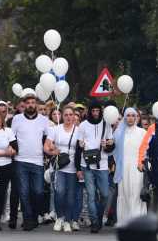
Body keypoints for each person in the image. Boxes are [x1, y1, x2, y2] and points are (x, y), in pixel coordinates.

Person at [10, 94, 51, 231]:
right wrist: (14, 149)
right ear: (25, 105)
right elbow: (11, 137)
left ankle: (34, 216)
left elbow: (48, 137)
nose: (31, 105)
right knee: (24, 191)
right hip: (21, 160)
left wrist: (48, 150)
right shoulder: (17, 119)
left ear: (36, 105)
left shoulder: (44, 120)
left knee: (38, 192)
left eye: (33, 102)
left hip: (38, 161)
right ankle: (28, 220)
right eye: (28, 103)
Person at [74, 100, 115, 233]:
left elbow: (111, 145)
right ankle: (95, 222)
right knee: (91, 195)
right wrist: (78, 168)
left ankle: (98, 215)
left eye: (98, 111)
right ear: (90, 111)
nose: (96, 113)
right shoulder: (83, 125)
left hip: (102, 164)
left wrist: (107, 145)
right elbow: (78, 146)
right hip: (86, 164)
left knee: (104, 194)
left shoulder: (107, 124)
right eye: (93, 111)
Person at [45, 106, 80, 233]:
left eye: (71, 114)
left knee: (70, 196)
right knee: (59, 192)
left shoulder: (78, 131)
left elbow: (82, 148)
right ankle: (59, 217)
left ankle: (67, 220)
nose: (69, 117)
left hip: (73, 167)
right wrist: (53, 151)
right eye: (66, 115)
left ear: (74, 116)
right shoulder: (55, 129)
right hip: (59, 166)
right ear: (62, 116)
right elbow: (46, 146)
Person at [113, 107, 147, 222]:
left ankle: (137, 222)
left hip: (137, 167)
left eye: (133, 115)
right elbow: (113, 150)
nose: (131, 118)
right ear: (124, 117)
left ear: (137, 117)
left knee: (136, 194)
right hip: (123, 168)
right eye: (128, 115)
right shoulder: (118, 133)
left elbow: (146, 150)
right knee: (124, 194)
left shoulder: (142, 133)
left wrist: (142, 163)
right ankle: (124, 222)